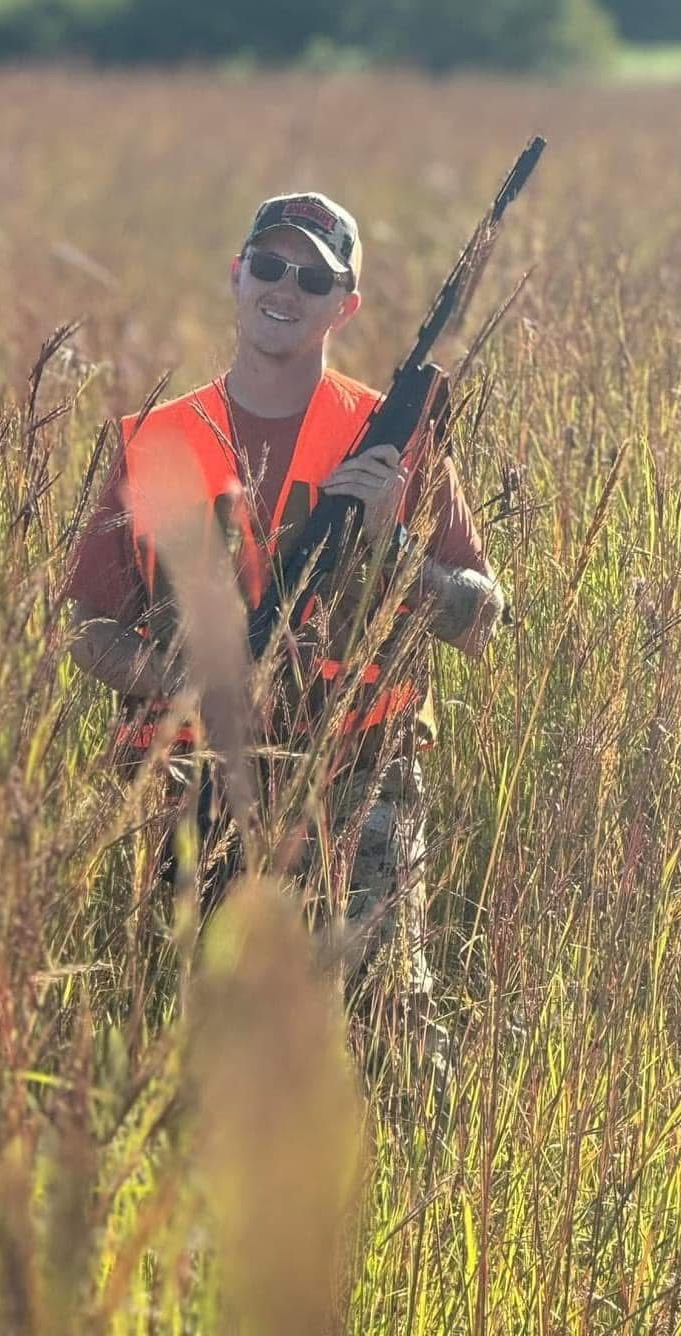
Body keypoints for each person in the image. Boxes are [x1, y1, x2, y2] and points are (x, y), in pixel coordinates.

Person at [64, 191, 505, 1072]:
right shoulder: (156, 438)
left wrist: (392, 548)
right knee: (221, 1039)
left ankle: (409, 1190)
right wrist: (183, 681)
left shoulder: (394, 438)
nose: (284, 287)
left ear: (345, 306)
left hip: (362, 778)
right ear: (237, 277)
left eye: (312, 276)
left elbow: (481, 619)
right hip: (202, 778)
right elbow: (87, 631)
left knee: (387, 1029)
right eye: (268, 266)